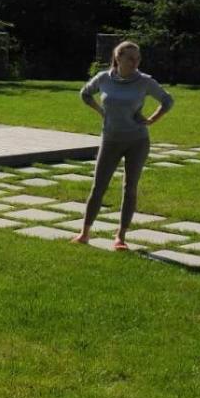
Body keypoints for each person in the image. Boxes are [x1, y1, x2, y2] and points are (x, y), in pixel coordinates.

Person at [72, 41, 174, 250]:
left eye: (138, 58)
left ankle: (121, 236)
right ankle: (84, 233)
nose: (135, 62)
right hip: (110, 140)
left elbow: (167, 101)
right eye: (130, 58)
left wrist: (151, 120)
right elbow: (85, 93)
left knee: (130, 187)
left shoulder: (144, 81)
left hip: (137, 141)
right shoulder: (104, 78)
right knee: (98, 186)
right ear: (118, 58)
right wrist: (101, 111)